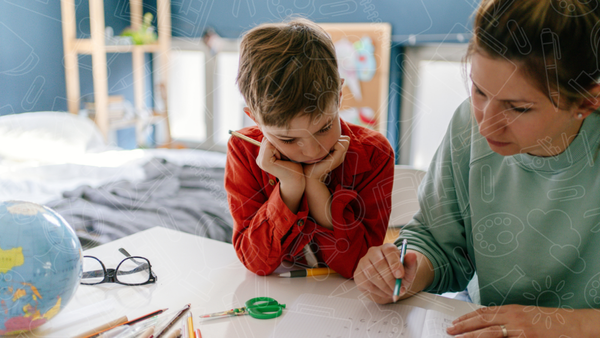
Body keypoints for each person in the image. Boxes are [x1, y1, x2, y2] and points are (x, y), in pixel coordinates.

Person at [354, 0, 600, 336]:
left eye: (519, 108)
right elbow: (439, 241)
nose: (486, 127)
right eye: (479, 91)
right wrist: (411, 269)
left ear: (587, 101)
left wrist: (567, 325)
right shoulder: (467, 123)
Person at [225, 18, 395, 279]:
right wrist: (290, 189)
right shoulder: (243, 150)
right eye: (289, 140)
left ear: (338, 96)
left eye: (325, 127)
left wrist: (316, 187)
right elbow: (256, 262)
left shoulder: (374, 153)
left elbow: (359, 266)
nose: (312, 149)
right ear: (255, 119)